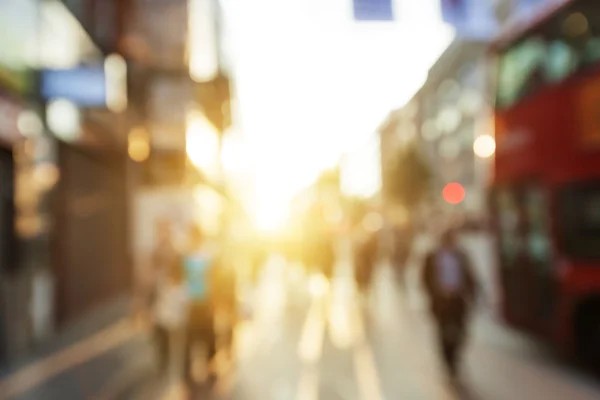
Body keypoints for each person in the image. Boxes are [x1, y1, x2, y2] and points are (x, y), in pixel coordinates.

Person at [422, 229, 477, 379]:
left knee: (460, 332)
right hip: (441, 302)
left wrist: (473, 295)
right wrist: (433, 295)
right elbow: (424, 279)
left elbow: (470, 276)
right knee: (443, 332)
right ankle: (448, 361)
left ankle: (455, 357)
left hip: (458, 301)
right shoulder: (431, 256)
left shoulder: (461, 255)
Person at [180, 225, 221, 388]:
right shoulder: (185, 257)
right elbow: (180, 280)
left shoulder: (208, 257)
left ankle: (211, 373)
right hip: (191, 304)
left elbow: (216, 280)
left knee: (210, 340)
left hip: (206, 305)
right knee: (189, 341)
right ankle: (187, 376)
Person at [153, 257, 190, 377]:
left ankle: (169, 367)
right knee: (165, 347)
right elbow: (159, 303)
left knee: (170, 348)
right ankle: (165, 366)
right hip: (165, 322)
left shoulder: (181, 288)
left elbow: (185, 307)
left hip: (173, 323)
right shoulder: (165, 284)